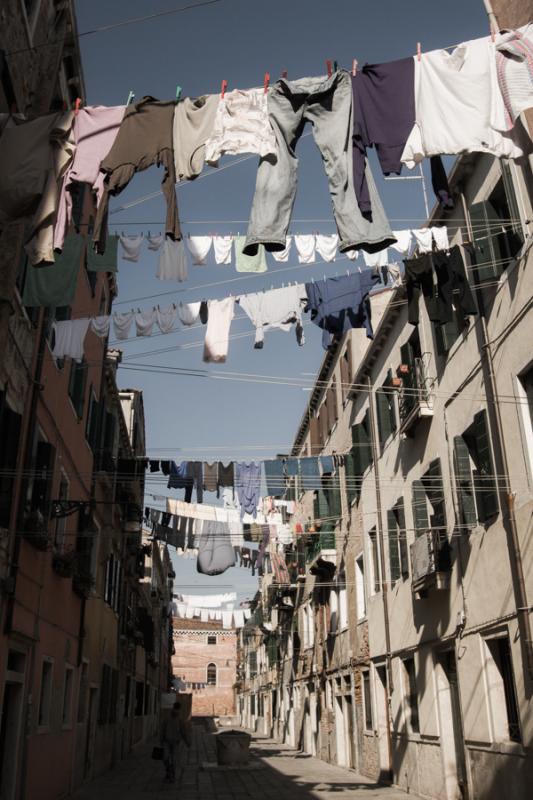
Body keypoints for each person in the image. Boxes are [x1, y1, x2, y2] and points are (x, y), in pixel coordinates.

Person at [160, 700, 189, 783]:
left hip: (176, 742)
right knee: (165, 757)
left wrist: (187, 741)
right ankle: (168, 771)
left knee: (174, 759)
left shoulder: (180, 719)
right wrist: (161, 740)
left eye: (177, 709)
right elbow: (162, 729)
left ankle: (172, 775)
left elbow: (183, 731)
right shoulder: (167, 718)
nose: (176, 711)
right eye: (175, 709)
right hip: (166, 741)